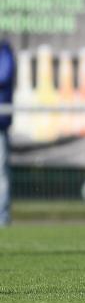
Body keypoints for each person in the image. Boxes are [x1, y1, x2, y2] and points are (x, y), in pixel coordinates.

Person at [0, 38, 14, 227]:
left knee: (0, 174)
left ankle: (2, 217)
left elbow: (3, 76)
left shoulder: (4, 51)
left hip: (0, 122)